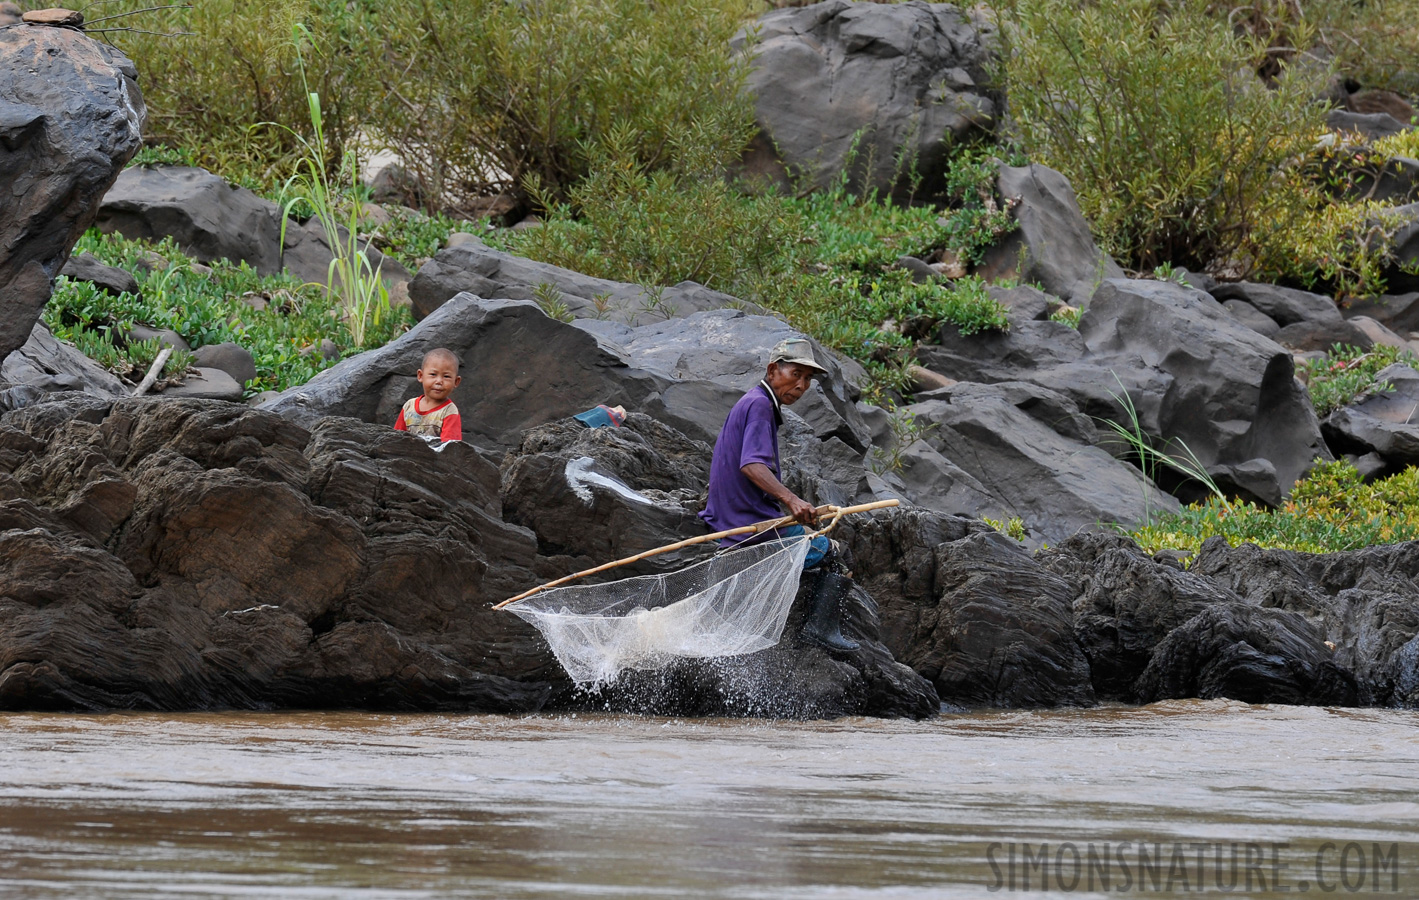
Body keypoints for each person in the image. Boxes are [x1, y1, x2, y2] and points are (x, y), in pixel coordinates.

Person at [700, 337, 858, 653]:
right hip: (750, 522)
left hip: (734, 511)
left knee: (812, 534)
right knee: (834, 552)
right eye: (795, 374)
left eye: (808, 379)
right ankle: (818, 630)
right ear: (773, 370)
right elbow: (752, 465)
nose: (801, 385)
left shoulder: (755, 401)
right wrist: (792, 500)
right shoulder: (760, 405)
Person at [394, 348, 463, 445]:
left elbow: (450, 448)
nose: (439, 381)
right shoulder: (409, 406)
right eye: (433, 374)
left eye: (446, 376)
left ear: (456, 382)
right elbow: (396, 438)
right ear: (420, 376)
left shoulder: (449, 411)